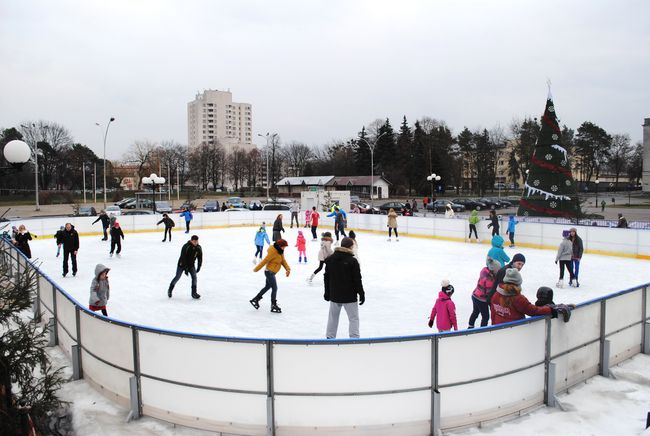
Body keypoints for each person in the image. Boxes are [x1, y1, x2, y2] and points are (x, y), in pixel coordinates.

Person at [324, 237, 364, 339]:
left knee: (333, 318)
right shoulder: (353, 261)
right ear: (350, 247)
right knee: (353, 318)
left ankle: (330, 337)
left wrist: (327, 292)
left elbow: (326, 278)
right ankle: (354, 338)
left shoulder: (330, 259)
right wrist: (361, 293)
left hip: (335, 295)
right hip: (349, 296)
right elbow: (357, 279)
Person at [250, 239, 290, 313]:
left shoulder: (280, 251)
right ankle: (273, 305)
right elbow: (265, 261)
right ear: (279, 246)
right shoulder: (273, 252)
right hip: (269, 272)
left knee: (267, 287)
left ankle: (256, 299)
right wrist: (256, 269)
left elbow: (283, 261)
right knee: (275, 288)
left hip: (272, 272)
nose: (284, 248)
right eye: (284, 247)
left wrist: (288, 269)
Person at [167, 235, 203, 299]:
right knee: (177, 277)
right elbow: (183, 257)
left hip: (191, 265)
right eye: (194, 241)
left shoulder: (198, 248)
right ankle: (170, 289)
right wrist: (186, 268)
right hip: (182, 264)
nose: (195, 243)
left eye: (197, 241)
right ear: (191, 240)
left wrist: (199, 266)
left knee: (194, 277)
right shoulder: (186, 246)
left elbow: (200, 257)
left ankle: (194, 293)